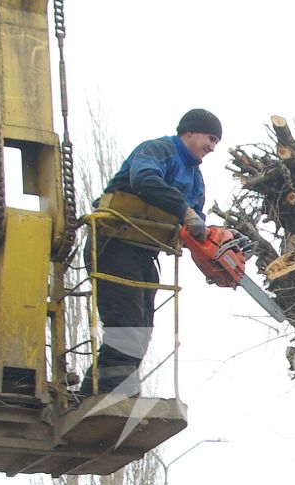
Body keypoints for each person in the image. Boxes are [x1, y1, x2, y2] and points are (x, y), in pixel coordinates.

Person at [86, 108, 221, 394]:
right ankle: (105, 396)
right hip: (114, 244)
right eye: (210, 138)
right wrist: (183, 210)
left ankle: (108, 391)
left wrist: (216, 247)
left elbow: (195, 225)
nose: (212, 147)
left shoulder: (196, 180)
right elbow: (144, 179)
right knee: (127, 326)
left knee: (142, 331)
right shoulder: (160, 150)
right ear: (189, 132)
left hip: (145, 253)